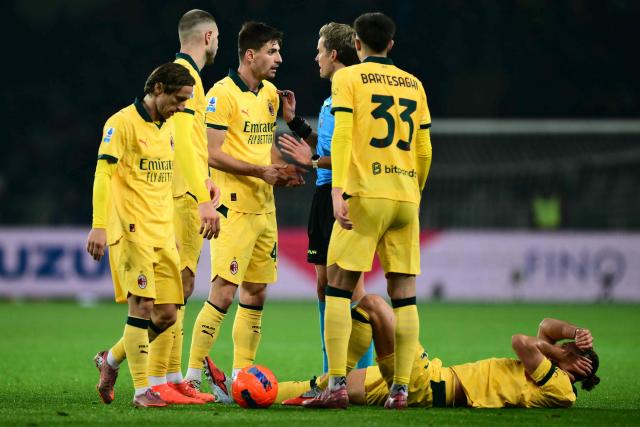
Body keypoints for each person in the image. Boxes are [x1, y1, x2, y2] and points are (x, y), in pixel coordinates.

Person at [303, 12, 433, 409]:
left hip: (364, 195)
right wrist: (415, 190)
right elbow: (425, 150)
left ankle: (337, 384)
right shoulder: (414, 84)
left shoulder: (347, 79)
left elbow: (341, 136)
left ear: (356, 44)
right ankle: (401, 391)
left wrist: (338, 190)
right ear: (391, 44)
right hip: (405, 196)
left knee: (339, 290)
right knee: (404, 297)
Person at [87, 63, 220, 407]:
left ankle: (111, 360)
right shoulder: (121, 124)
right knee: (143, 306)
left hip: (163, 231)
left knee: (166, 315)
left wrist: (204, 203)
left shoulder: (172, 124)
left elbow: (188, 162)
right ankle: (144, 390)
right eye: (178, 99)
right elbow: (104, 174)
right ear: (158, 88)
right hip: (130, 230)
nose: (182, 106)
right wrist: (99, 225)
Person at [184, 21, 302, 398]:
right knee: (222, 291)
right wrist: (259, 171)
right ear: (250, 55)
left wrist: (281, 168)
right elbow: (212, 153)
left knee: (255, 293)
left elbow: (264, 147)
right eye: (272, 51)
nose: (279, 59)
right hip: (232, 208)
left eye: (278, 51)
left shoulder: (269, 95)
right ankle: (191, 376)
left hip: (265, 210)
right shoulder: (221, 95)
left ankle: (241, 376)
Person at [274, 296, 600, 409]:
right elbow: (545, 326)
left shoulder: (561, 389)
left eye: (570, 351)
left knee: (374, 304)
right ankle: (255, 392)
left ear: (580, 367)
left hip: (429, 386)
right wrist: (573, 333)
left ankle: (336, 386)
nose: (563, 349)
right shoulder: (552, 366)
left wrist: (559, 354)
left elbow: (522, 341)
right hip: (426, 383)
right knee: (323, 382)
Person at [277, 22, 373, 373]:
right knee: (323, 284)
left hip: (345, 193)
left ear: (333, 54)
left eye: (319, 50)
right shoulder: (333, 96)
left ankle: (363, 373)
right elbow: (329, 144)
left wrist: (313, 160)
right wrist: (296, 125)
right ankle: (330, 368)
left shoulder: (354, 93)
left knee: (351, 285)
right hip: (323, 195)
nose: (315, 57)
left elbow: (356, 153)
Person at [145, 9, 220, 405]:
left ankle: (172, 378)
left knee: (182, 288)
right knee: (173, 291)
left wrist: (205, 180)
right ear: (208, 37)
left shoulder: (186, 74)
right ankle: (150, 376)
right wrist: (203, 197)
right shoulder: (185, 78)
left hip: (184, 192)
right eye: (218, 38)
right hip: (179, 198)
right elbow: (181, 146)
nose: (218, 44)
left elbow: (190, 144)